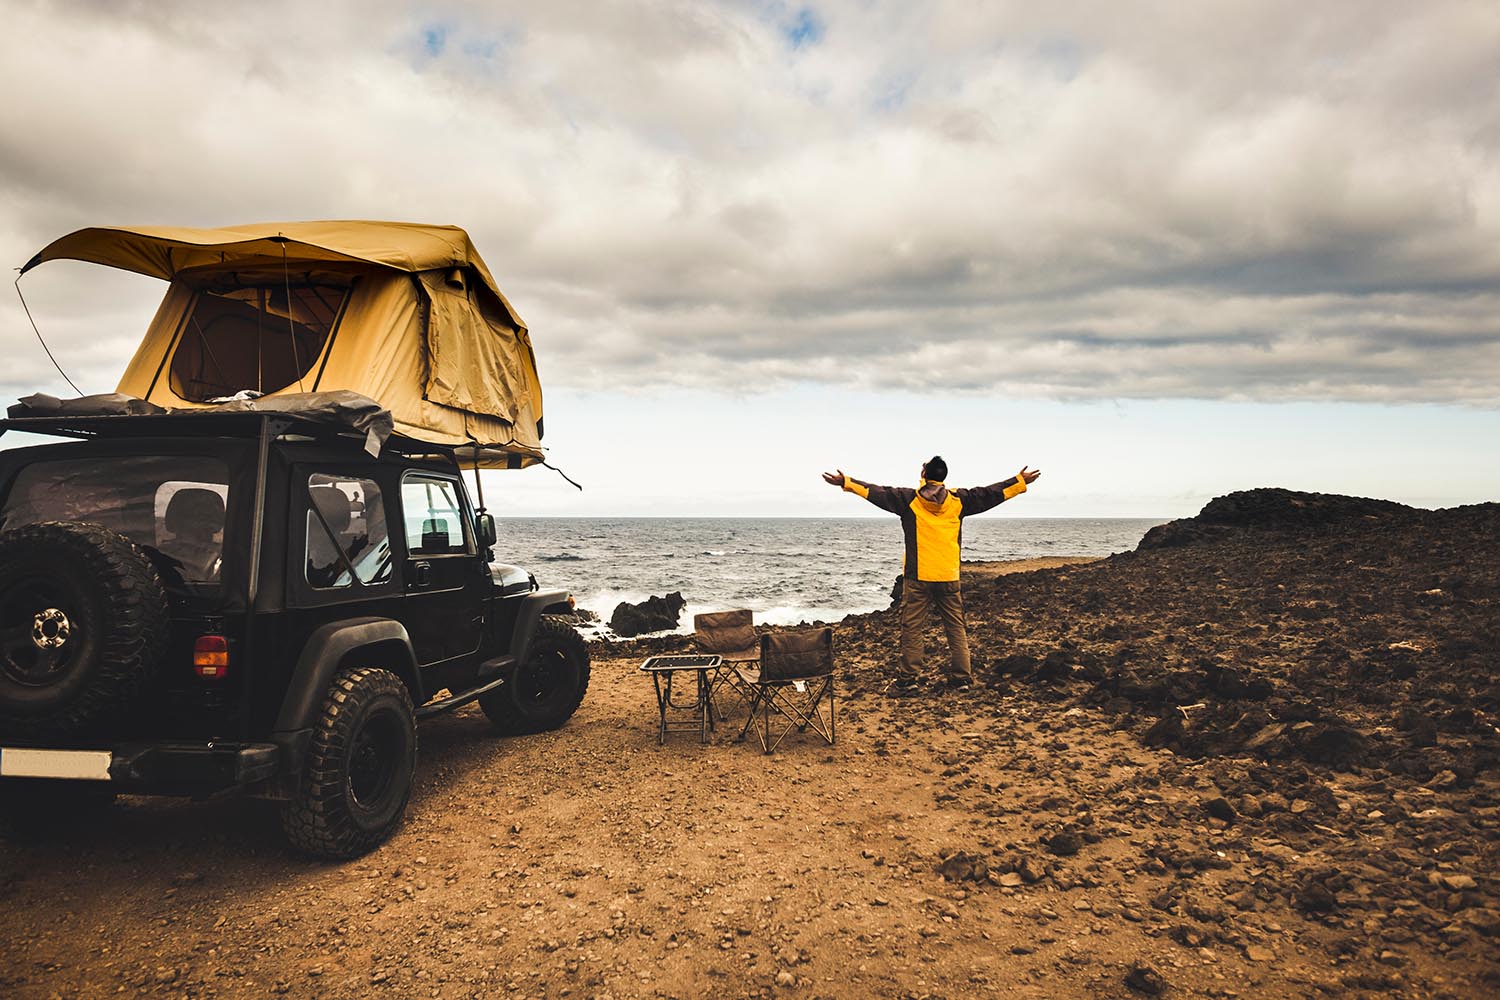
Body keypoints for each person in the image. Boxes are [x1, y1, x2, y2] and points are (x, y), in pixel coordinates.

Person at [822, 457, 1041, 692]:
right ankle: (961, 679)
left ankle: (909, 679)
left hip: (918, 577)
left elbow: (876, 492)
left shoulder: (908, 500)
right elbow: (990, 494)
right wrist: (1019, 481)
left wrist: (847, 482)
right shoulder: (959, 500)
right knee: (956, 627)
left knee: (912, 628)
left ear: (924, 473)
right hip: (948, 575)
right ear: (944, 475)